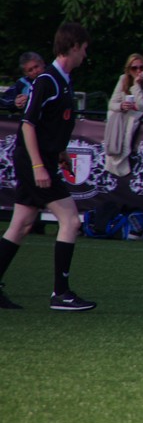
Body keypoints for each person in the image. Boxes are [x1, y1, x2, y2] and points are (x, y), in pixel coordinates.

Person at [0, 22, 96, 311]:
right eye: (84, 49)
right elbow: (28, 125)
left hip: (41, 159)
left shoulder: (62, 81)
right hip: (34, 161)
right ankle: (61, 293)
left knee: (21, 224)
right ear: (74, 46)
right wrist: (39, 165)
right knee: (71, 221)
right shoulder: (47, 80)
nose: (85, 55)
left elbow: (50, 123)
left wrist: (61, 152)